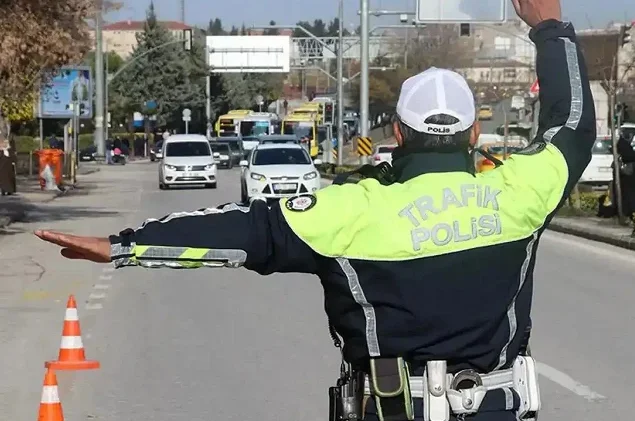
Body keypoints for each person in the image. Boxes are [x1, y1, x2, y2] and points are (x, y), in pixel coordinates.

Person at [34, 1, 595, 420]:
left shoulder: (350, 209)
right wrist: (550, 27)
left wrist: (124, 246)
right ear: (474, 134)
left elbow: (244, 230)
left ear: (398, 133)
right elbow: (571, 125)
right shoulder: (520, 190)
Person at [610, 131, 635, 218]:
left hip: (630, 187)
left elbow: (628, 171)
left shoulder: (629, 156)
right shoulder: (625, 155)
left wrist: (619, 168)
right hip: (626, 187)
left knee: (631, 202)